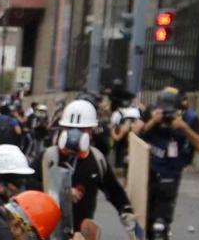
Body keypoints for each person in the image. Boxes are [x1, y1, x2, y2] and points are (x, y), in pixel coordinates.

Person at [138, 89, 199, 240]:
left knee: (160, 225)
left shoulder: (189, 119)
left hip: (170, 176)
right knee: (145, 223)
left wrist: (183, 128)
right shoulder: (151, 113)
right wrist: (153, 121)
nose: (166, 114)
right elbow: (134, 136)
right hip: (148, 173)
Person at [42, 98, 134, 230]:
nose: (75, 134)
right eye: (69, 128)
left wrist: (125, 210)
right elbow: (31, 185)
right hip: (50, 229)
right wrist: (62, 191)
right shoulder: (49, 157)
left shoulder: (97, 160)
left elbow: (113, 189)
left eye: (82, 129)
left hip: (82, 233)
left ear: (91, 131)